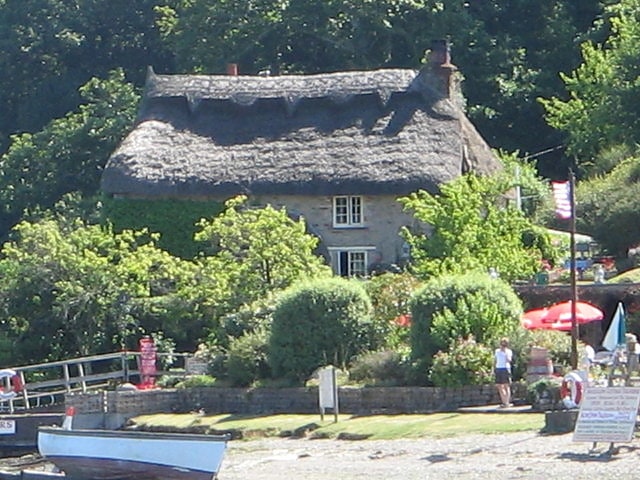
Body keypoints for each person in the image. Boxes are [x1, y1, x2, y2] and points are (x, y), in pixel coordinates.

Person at [494, 337, 513, 408]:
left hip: (505, 368)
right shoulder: (497, 351)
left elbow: (509, 360)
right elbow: (495, 360)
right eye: (502, 343)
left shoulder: (509, 351)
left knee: (506, 385)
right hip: (498, 368)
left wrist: (505, 353)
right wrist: (494, 368)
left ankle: (507, 402)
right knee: (499, 386)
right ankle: (504, 402)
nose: (503, 345)